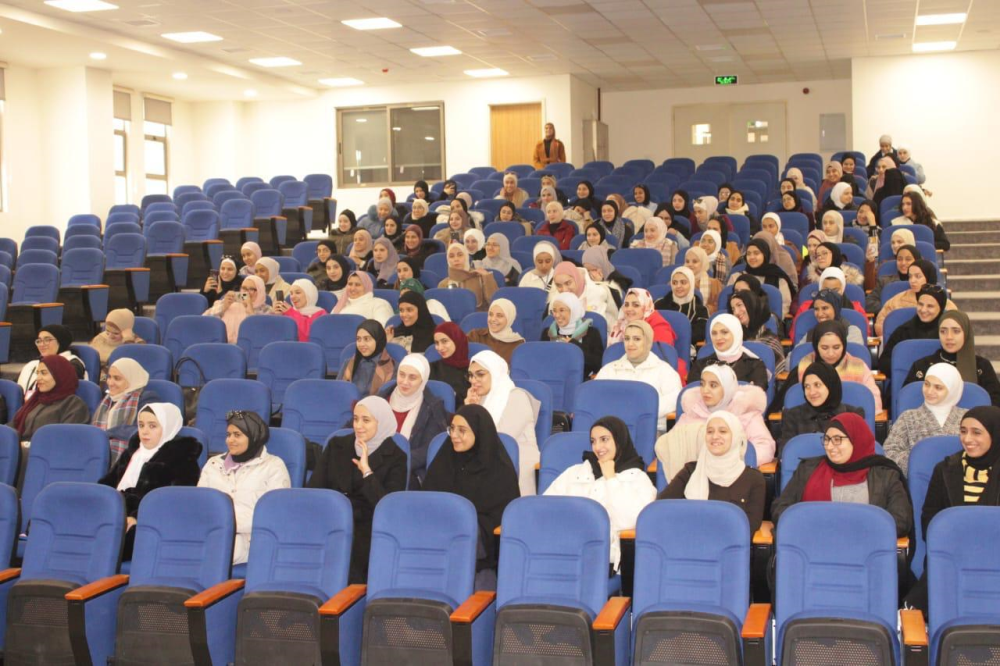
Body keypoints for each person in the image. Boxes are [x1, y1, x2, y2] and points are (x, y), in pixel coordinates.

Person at [309, 396, 407, 583]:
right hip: (331, 520)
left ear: (381, 422)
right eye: (355, 419)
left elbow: (388, 508)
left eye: (366, 420)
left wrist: (367, 472)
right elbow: (315, 490)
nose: (358, 426)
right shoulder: (337, 445)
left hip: (367, 528)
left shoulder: (396, 456)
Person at [422, 405, 520, 590]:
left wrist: (461, 523)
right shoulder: (444, 460)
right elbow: (427, 503)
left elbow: (500, 522)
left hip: (479, 552)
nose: (454, 436)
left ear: (479, 432)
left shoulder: (500, 472)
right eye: (452, 429)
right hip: (436, 541)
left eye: (462, 430)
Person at [771, 413, 912, 538]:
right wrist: (811, 528)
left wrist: (853, 533)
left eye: (837, 439)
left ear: (857, 440)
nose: (829, 446)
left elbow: (901, 520)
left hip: (865, 551)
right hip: (814, 546)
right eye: (827, 439)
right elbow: (780, 508)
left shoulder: (886, 476)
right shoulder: (807, 469)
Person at [545, 416, 655, 569]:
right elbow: (545, 508)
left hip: (604, 561)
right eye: (593, 441)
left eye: (604, 439)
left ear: (619, 440)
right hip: (564, 551)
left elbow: (629, 522)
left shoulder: (638, 478)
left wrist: (611, 478)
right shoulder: (574, 472)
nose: (597, 447)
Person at [99, 403, 202, 558]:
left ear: (167, 427)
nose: (145, 431)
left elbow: (174, 502)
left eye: (152, 426)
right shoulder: (132, 453)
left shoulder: (182, 457)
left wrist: (136, 517)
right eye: (141, 425)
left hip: (150, 521)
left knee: (105, 543)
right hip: (117, 514)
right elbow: (107, 486)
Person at [198, 411, 290, 564]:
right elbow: (201, 505)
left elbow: (275, 513)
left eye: (237, 435)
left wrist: (229, 524)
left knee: (211, 552)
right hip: (212, 534)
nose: (230, 440)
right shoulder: (213, 464)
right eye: (228, 435)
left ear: (253, 435)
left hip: (252, 538)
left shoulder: (274, 466)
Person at [654, 363, 774, 477]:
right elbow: (671, 445)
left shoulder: (747, 413)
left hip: (732, 476)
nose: (705, 390)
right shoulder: (692, 411)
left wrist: (729, 460)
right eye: (702, 384)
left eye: (713, 385)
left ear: (727, 388)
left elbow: (765, 447)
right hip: (692, 477)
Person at [659, 411, 765, 533]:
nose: (715, 436)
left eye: (723, 431)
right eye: (709, 431)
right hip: (688, 537)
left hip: (729, 542)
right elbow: (661, 507)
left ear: (735, 436)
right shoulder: (690, 471)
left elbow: (751, 525)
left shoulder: (754, 479)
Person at [466, 350, 540, 496]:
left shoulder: (517, 398)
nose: (473, 380)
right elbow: (463, 438)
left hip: (515, 469)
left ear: (495, 373)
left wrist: (474, 412)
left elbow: (501, 440)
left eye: (480, 374)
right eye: (471, 375)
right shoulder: (480, 399)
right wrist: (469, 409)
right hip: (484, 466)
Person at [595, 320, 682, 431]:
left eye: (637, 339)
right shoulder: (609, 369)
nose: (630, 344)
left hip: (652, 431)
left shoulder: (665, 371)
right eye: (627, 339)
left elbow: (674, 400)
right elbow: (595, 397)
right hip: (612, 430)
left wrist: (638, 411)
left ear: (648, 341)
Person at [379, 354, 448, 487]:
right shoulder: (382, 398)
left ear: (423, 380)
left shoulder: (432, 407)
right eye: (402, 375)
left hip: (409, 469)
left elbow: (427, 449)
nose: (405, 382)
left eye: (412, 377)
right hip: (374, 462)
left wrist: (394, 462)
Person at [906, 310, 1000, 406]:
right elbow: (907, 401)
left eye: (956, 331)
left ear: (966, 333)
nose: (949, 337)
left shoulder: (981, 366)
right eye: (943, 331)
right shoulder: (921, 366)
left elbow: (995, 405)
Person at [787, 320, 883, 413]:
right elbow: (797, 400)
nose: (831, 353)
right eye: (824, 348)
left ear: (844, 345)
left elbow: (873, 401)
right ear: (816, 346)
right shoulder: (806, 364)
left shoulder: (858, 366)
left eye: (836, 347)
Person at [884, 364, 965, 474]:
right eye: (927, 384)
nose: (929, 391)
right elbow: (889, 451)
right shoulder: (908, 417)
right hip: (919, 478)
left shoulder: (968, 417)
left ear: (952, 390)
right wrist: (920, 463)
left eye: (938, 387)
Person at [780, 362, 864, 450]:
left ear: (830, 385)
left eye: (817, 385)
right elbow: (786, 453)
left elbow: (862, 450)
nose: (812, 392)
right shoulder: (792, 416)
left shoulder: (853, 415)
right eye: (807, 386)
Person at [13, 355, 90, 441]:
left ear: (59, 374)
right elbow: (12, 426)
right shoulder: (36, 400)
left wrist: (26, 446)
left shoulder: (74, 405)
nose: (38, 378)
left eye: (44, 373)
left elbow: (65, 440)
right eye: (37, 373)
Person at [877, 284, 948, 376]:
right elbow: (883, 363)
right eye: (920, 304)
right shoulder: (903, 331)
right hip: (906, 380)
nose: (923, 310)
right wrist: (911, 369)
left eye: (930, 306)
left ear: (940, 308)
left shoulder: (947, 334)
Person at [92, 358, 154, 461]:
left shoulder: (146, 398)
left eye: (117, 378)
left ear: (131, 379)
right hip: (99, 452)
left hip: (131, 457)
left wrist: (107, 433)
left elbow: (142, 431)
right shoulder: (106, 400)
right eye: (109, 377)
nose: (110, 383)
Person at [875, 260, 954, 337]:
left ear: (929, 276)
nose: (912, 281)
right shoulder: (897, 299)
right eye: (910, 276)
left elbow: (954, 328)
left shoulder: (945, 304)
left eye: (918, 276)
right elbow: (880, 325)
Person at [688, 314, 768, 390]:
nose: (718, 338)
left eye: (724, 332)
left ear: (736, 333)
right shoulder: (700, 365)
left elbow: (757, 396)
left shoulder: (755, 366)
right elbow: (692, 394)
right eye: (714, 333)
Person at [728, 235, 796, 318]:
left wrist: (770, 320)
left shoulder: (778, 277)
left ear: (765, 254)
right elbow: (728, 302)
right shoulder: (736, 277)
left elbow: (784, 305)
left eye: (756, 253)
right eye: (748, 254)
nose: (752, 257)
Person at [542, 292, 604, 378]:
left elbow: (597, 364)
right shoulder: (547, 333)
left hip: (582, 379)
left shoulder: (591, 333)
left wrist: (574, 345)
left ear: (574, 311)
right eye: (554, 311)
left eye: (561, 310)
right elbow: (541, 361)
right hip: (551, 378)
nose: (556, 315)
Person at [19, 325, 87, 400]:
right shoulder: (32, 365)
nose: (41, 344)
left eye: (47, 340)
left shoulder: (73, 364)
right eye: (39, 341)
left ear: (61, 341)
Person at [729, 289, 785, 371]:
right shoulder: (734, 337)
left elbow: (768, 370)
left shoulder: (769, 339)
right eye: (733, 309)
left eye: (739, 305)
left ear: (751, 305)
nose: (736, 312)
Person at [204, 274, 270, 343]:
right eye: (244, 288)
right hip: (222, 345)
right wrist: (223, 307)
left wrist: (250, 311)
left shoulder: (266, 310)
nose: (246, 292)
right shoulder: (229, 303)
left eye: (251, 289)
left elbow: (263, 335)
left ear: (260, 291)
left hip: (249, 347)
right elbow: (205, 321)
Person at [654, 266, 708, 349]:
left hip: (687, 351)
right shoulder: (659, 304)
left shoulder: (700, 309)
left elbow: (699, 334)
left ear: (691, 283)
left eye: (683, 282)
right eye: (674, 283)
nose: (678, 286)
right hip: (660, 348)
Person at [340, 319, 396, 397]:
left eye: (366, 339)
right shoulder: (348, 363)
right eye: (358, 339)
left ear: (378, 340)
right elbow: (338, 390)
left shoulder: (393, 367)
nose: (361, 344)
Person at [438, 242, 499, 312]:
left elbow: (495, 301)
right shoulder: (443, 284)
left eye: (460, 255)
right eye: (451, 256)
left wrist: (487, 277)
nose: (456, 259)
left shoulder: (480, 278)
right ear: (448, 260)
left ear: (466, 257)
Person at [799, 288, 865, 348]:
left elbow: (854, 355)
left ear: (835, 309)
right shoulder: (811, 334)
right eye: (816, 309)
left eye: (825, 308)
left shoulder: (851, 331)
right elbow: (797, 354)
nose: (820, 314)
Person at [866, 241, 920, 314]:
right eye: (899, 259)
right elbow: (868, 303)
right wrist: (889, 307)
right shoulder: (884, 281)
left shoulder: (923, 282)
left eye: (908, 259)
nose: (903, 263)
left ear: (917, 261)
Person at [467, 299, 525, 365]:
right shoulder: (475, 335)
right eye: (490, 314)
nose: (493, 319)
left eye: (499, 316)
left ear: (509, 318)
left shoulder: (517, 344)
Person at [429, 323, 471, 404]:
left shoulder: (473, 370)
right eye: (437, 343)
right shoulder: (431, 368)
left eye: (444, 341)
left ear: (457, 340)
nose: (440, 347)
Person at [684, 246, 723, 316]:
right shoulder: (678, 282)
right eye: (687, 261)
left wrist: (699, 309)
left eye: (695, 261)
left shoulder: (714, 284)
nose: (690, 264)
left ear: (703, 263)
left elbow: (718, 307)